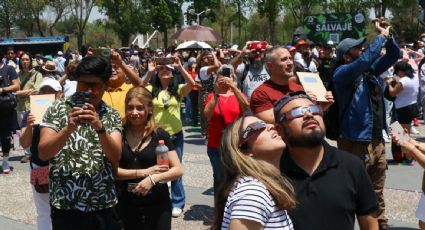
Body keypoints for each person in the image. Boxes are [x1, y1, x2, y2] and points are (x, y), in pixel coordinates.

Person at [38, 56, 123, 229]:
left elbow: (115, 156)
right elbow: (44, 153)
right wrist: (67, 129)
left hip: (102, 202)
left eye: (96, 86)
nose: (90, 92)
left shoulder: (111, 114)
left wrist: (100, 128)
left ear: (106, 86)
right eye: (84, 85)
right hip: (65, 203)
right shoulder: (57, 108)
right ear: (76, 83)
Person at [274, 91, 379, 230]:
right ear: (279, 129)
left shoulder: (351, 165)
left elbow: (369, 223)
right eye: (296, 112)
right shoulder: (273, 173)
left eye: (314, 109)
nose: (308, 114)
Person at [333, 18, 400, 230]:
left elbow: (393, 55)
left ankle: (380, 226)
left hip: (376, 141)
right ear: (346, 55)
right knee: (351, 192)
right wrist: (379, 38)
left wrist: (388, 36)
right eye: (357, 47)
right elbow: (362, 62)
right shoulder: (342, 73)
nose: (362, 49)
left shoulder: (367, 72)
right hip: (354, 144)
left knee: (376, 192)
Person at [115, 86, 183, 230]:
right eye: (130, 107)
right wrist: (145, 172)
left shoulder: (159, 135)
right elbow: (112, 172)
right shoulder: (118, 134)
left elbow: (177, 170)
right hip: (126, 203)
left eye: (140, 108)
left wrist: (153, 179)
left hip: (158, 203)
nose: (134, 113)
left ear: (150, 109)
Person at [211, 116, 295, 230]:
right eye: (258, 127)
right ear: (244, 150)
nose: (271, 126)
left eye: (267, 123)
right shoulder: (252, 192)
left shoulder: (259, 188)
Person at [144, 54, 195, 217]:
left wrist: (180, 66)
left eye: (168, 69)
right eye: (161, 69)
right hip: (155, 134)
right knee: (156, 167)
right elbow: (138, 88)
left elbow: (192, 84)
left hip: (175, 135)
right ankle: (156, 199)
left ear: (173, 73)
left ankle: (177, 202)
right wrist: (149, 72)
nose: (164, 71)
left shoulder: (178, 90)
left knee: (175, 167)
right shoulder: (152, 90)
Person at [19, 78, 63, 230]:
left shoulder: (68, 113)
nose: (47, 95)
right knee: (43, 210)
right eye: (44, 91)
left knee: (65, 207)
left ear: (60, 94)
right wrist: (30, 126)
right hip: (39, 166)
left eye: (51, 92)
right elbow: (24, 144)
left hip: (63, 166)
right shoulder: (31, 114)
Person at [203, 64, 249, 193]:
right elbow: (207, 115)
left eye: (227, 76)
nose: (223, 78)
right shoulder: (212, 96)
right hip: (215, 144)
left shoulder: (237, 94)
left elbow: (246, 107)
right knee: (219, 177)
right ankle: (219, 207)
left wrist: (233, 87)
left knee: (236, 176)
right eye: (220, 76)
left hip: (235, 143)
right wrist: (217, 93)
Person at [15, 52, 43, 163]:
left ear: (30, 61)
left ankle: (36, 151)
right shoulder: (17, 75)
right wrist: (27, 91)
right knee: (23, 131)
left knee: (35, 130)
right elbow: (14, 89)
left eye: (27, 59)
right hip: (20, 106)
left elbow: (36, 91)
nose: (25, 61)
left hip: (33, 106)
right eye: (23, 60)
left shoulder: (37, 74)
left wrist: (20, 93)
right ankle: (27, 153)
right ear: (20, 61)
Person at [0, 53, 20, 174]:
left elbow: (17, 86)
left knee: (5, 136)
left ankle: (6, 161)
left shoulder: (9, 69)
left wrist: (2, 89)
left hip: (5, 108)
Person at [195, 51, 220, 137]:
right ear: (201, 61)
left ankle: (209, 134)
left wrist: (214, 57)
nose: (209, 59)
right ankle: (208, 135)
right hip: (206, 95)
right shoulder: (203, 69)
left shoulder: (209, 69)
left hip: (211, 94)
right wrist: (213, 54)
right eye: (206, 58)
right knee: (208, 116)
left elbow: (220, 64)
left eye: (210, 58)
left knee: (211, 116)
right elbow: (217, 66)